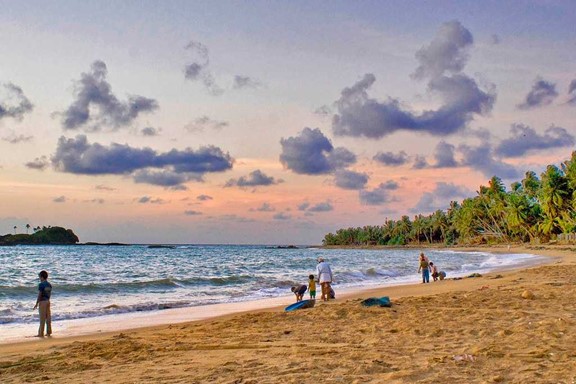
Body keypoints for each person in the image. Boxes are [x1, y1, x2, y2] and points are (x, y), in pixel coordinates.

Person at [33, 270, 52, 337]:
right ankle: (48, 332)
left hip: (42, 302)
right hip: (48, 301)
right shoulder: (49, 285)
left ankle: (41, 333)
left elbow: (40, 294)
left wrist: (36, 303)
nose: (39, 279)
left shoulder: (41, 285)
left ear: (42, 277)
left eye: (40, 277)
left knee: (42, 318)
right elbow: (49, 294)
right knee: (48, 317)